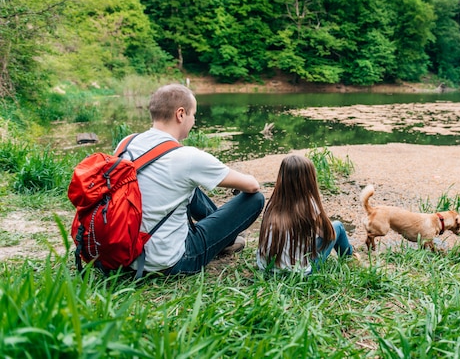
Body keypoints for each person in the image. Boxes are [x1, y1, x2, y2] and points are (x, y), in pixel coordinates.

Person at [116, 83, 265, 275]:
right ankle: (227, 239)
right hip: (168, 261)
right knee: (255, 199)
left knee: (188, 187)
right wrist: (248, 177)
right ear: (180, 114)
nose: (194, 121)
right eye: (193, 114)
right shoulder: (187, 157)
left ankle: (228, 239)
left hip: (122, 252)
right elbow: (252, 187)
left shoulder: (127, 143)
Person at [256, 154, 356, 274]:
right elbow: (328, 235)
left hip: (267, 268)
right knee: (338, 226)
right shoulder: (309, 204)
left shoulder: (273, 203)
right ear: (309, 180)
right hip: (299, 273)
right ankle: (350, 256)